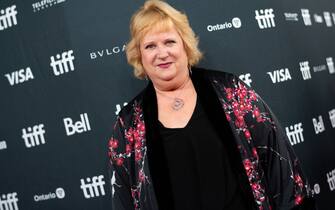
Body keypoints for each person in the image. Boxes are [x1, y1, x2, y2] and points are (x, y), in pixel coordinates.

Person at [107, 0, 316, 209]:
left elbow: (279, 163)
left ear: (185, 45)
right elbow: (124, 199)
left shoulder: (231, 92)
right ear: (139, 56)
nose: (162, 53)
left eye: (169, 42)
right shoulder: (129, 125)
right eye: (150, 46)